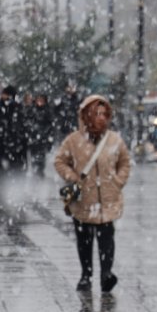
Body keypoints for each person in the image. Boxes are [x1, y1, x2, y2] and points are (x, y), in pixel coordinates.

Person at [54, 95, 131, 293]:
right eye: (97, 114)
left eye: (105, 114)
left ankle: (106, 273)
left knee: (107, 239)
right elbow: (60, 161)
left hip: (107, 201)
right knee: (84, 241)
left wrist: (118, 181)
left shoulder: (114, 140)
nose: (101, 118)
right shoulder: (74, 140)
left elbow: (124, 162)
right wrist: (72, 177)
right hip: (84, 201)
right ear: (87, 115)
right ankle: (86, 274)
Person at [0, 85, 27, 215]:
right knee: (1, 177)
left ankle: (16, 200)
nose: (2, 97)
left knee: (15, 176)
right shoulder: (0, 108)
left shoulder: (18, 110)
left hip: (14, 150)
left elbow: (22, 131)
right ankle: (0, 201)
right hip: (2, 150)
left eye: (5, 95)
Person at [27, 93, 55, 177]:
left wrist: (49, 141)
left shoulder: (47, 111)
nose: (39, 102)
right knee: (33, 159)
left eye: (41, 100)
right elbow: (28, 123)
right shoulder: (32, 110)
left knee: (41, 161)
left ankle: (39, 174)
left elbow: (50, 127)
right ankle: (36, 174)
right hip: (34, 140)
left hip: (43, 140)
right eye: (38, 100)